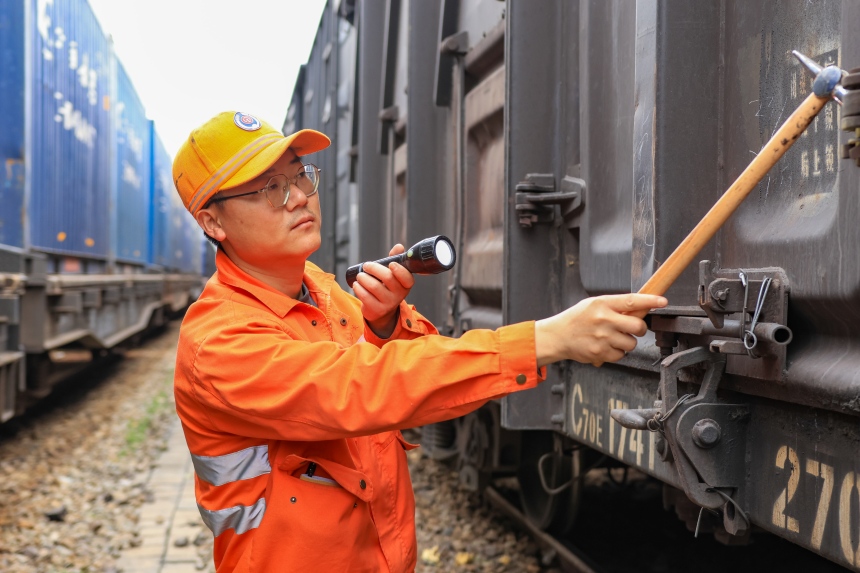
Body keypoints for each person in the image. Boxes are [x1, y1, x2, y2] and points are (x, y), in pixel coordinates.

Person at [171, 111, 667, 572]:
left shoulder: (321, 290)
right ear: (213, 222)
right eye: (267, 188)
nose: (299, 196)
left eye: (300, 174)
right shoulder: (217, 342)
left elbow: (406, 392)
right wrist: (543, 339)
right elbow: (362, 390)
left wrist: (384, 324)